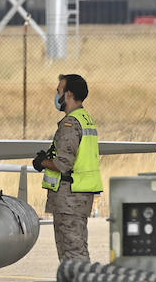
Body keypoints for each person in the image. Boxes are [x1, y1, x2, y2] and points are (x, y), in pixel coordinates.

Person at [31, 73, 102, 264]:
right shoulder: (86, 119)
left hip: (70, 197)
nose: (56, 95)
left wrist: (41, 162)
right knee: (75, 246)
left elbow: (63, 164)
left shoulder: (70, 124)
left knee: (72, 250)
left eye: (59, 90)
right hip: (79, 194)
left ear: (68, 94)